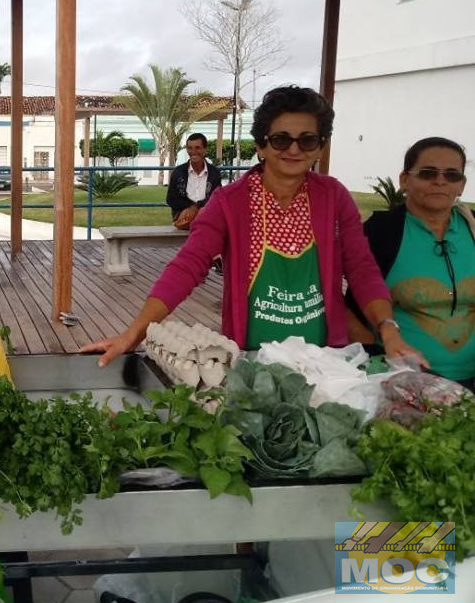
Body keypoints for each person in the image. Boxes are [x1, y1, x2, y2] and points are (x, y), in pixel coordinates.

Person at [82, 86, 423, 367]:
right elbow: (189, 265)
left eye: (307, 140)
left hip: (326, 359)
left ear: (320, 146)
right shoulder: (230, 201)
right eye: (280, 140)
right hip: (249, 357)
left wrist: (388, 330)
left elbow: (361, 268)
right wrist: (135, 333)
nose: (293, 149)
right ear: (261, 145)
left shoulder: (334, 197)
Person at [347, 137, 474, 385]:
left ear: (461, 185)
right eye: (428, 173)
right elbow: (349, 307)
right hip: (403, 381)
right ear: (405, 180)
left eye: (452, 175)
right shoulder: (380, 232)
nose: (440, 181)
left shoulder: (472, 229)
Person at [166, 133, 222, 230]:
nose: (193, 151)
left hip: (206, 212)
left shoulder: (214, 173)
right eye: (190, 148)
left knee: (204, 212)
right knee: (192, 217)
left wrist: (197, 208)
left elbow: (216, 198)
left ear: (205, 150)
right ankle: (199, 223)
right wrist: (190, 207)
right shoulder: (178, 172)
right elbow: (171, 199)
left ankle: (198, 223)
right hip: (184, 213)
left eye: (197, 148)